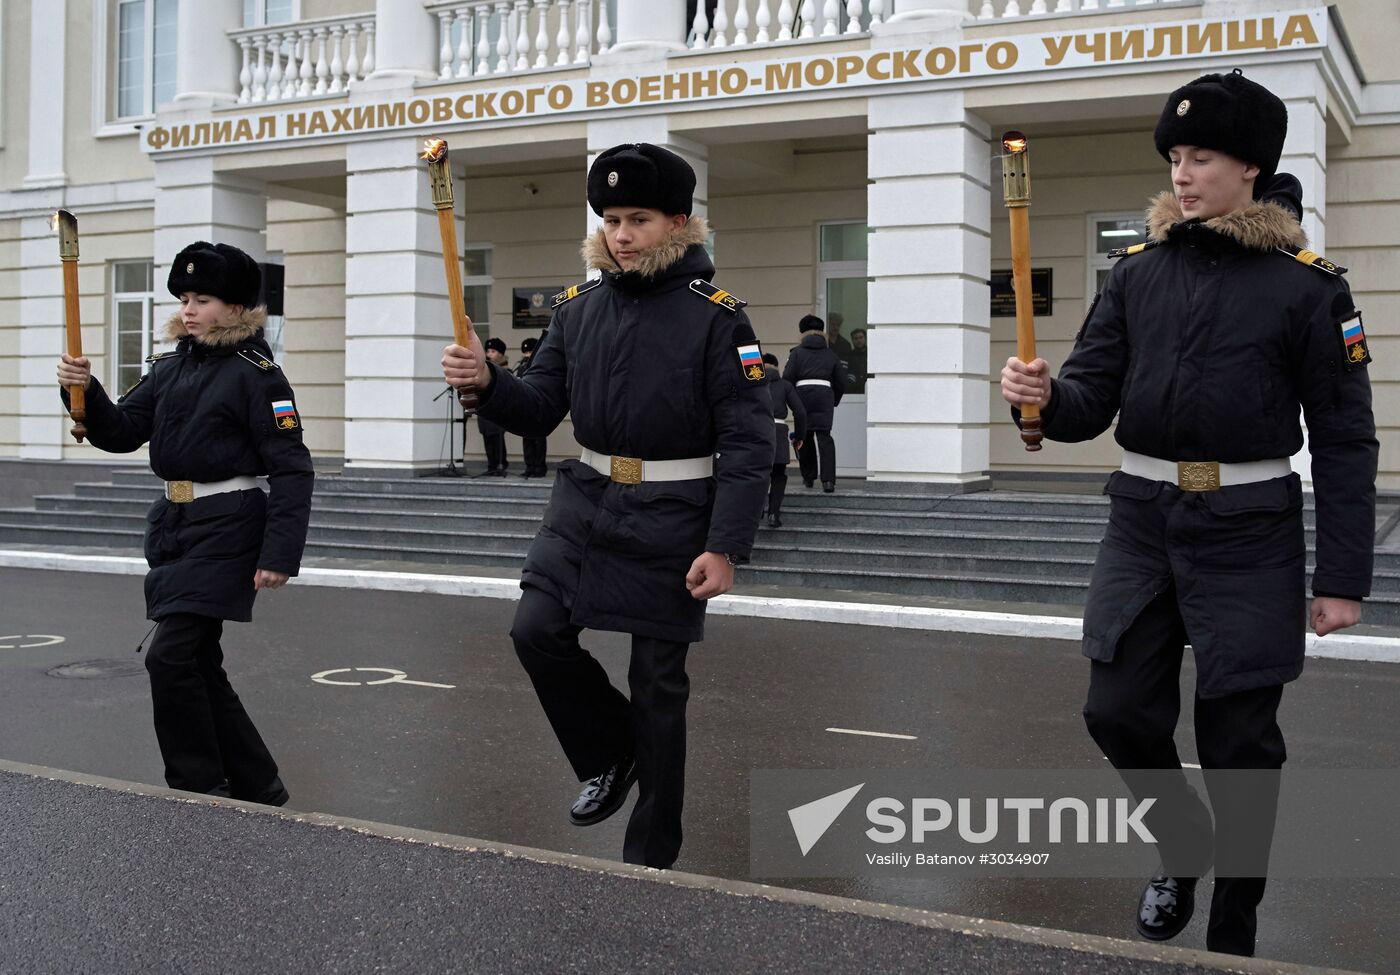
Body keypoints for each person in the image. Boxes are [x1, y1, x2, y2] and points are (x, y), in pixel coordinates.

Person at [1000, 69, 1377, 957]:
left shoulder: (1310, 288)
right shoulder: (1136, 272)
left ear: (1250, 167)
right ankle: (1180, 840)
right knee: (1116, 710)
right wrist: (1047, 396)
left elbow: (1346, 438)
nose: (1182, 172)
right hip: (1141, 518)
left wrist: (1343, 579)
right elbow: (1093, 393)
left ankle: (1234, 928)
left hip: (1253, 530)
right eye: (1175, 156)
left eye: (1201, 156)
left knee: (1241, 742)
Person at [440, 143, 771, 869]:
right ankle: (611, 751)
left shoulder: (717, 319)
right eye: (612, 219)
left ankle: (651, 855)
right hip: (586, 505)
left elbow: (748, 442)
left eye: (639, 219)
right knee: (535, 630)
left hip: (675, 514)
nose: (621, 234)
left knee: (656, 685)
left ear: (678, 223)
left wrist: (726, 546)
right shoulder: (577, 309)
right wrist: (488, 381)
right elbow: (535, 409)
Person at [56, 241, 314, 805]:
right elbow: (121, 431)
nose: (189, 309)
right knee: (198, 660)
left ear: (238, 308)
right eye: (185, 298)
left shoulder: (259, 375)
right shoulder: (171, 366)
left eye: (204, 299)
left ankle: (197, 786)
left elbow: (293, 469)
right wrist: (83, 388)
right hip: (174, 524)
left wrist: (278, 555)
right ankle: (256, 783)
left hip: (231, 524)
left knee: (169, 656)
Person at [785, 314, 848, 492]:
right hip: (824, 397)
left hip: (802, 397)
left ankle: (808, 477)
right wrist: (833, 400)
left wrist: (792, 402)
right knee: (824, 437)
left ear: (802, 333)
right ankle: (828, 481)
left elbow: (787, 379)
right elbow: (842, 381)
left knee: (804, 437)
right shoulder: (831, 354)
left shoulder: (796, 353)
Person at [763, 352, 805, 528]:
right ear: (777, 367)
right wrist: (799, 436)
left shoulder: (751, 384)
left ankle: (756, 512)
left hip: (757, 433)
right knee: (778, 476)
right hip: (779, 432)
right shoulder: (785, 385)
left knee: (758, 475)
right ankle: (773, 514)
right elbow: (800, 412)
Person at [516, 336, 548, 478]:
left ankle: (540, 467)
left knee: (538, 439)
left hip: (539, 406)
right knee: (527, 439)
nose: (527, 355)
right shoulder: (522, 368)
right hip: (525, 407)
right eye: (525, 353)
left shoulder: (542, 365)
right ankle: (529, 466)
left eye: (530, 352)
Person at [477, 337, 510, 476]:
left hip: (498, 409)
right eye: (488, 351)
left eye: (493, 351)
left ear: (501, 354)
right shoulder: (484, 369)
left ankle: (500, 463)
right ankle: (491, 465)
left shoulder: (505, 370)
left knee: (497, 437)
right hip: (485, 409)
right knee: (487, 437)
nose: (489, 354)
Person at [846, 328, 868, 393]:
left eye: (861, 337)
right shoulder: (849, 356)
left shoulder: (871, 354)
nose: (858, 340)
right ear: (852, 340)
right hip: (854, 393)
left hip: (869, 391)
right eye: (855, 338)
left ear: (865, 338)